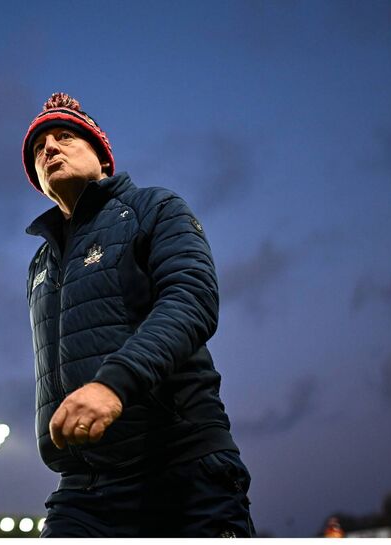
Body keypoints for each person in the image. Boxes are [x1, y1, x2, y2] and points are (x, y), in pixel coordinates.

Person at [23, 92, 255, 537]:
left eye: (65, 137)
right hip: (83, 488)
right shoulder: (40, 264)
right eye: (39, 148)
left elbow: (192, 299)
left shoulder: (155, 208)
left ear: (103, 158)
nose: (49, 148)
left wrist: (115, 383)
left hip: (181, 468)